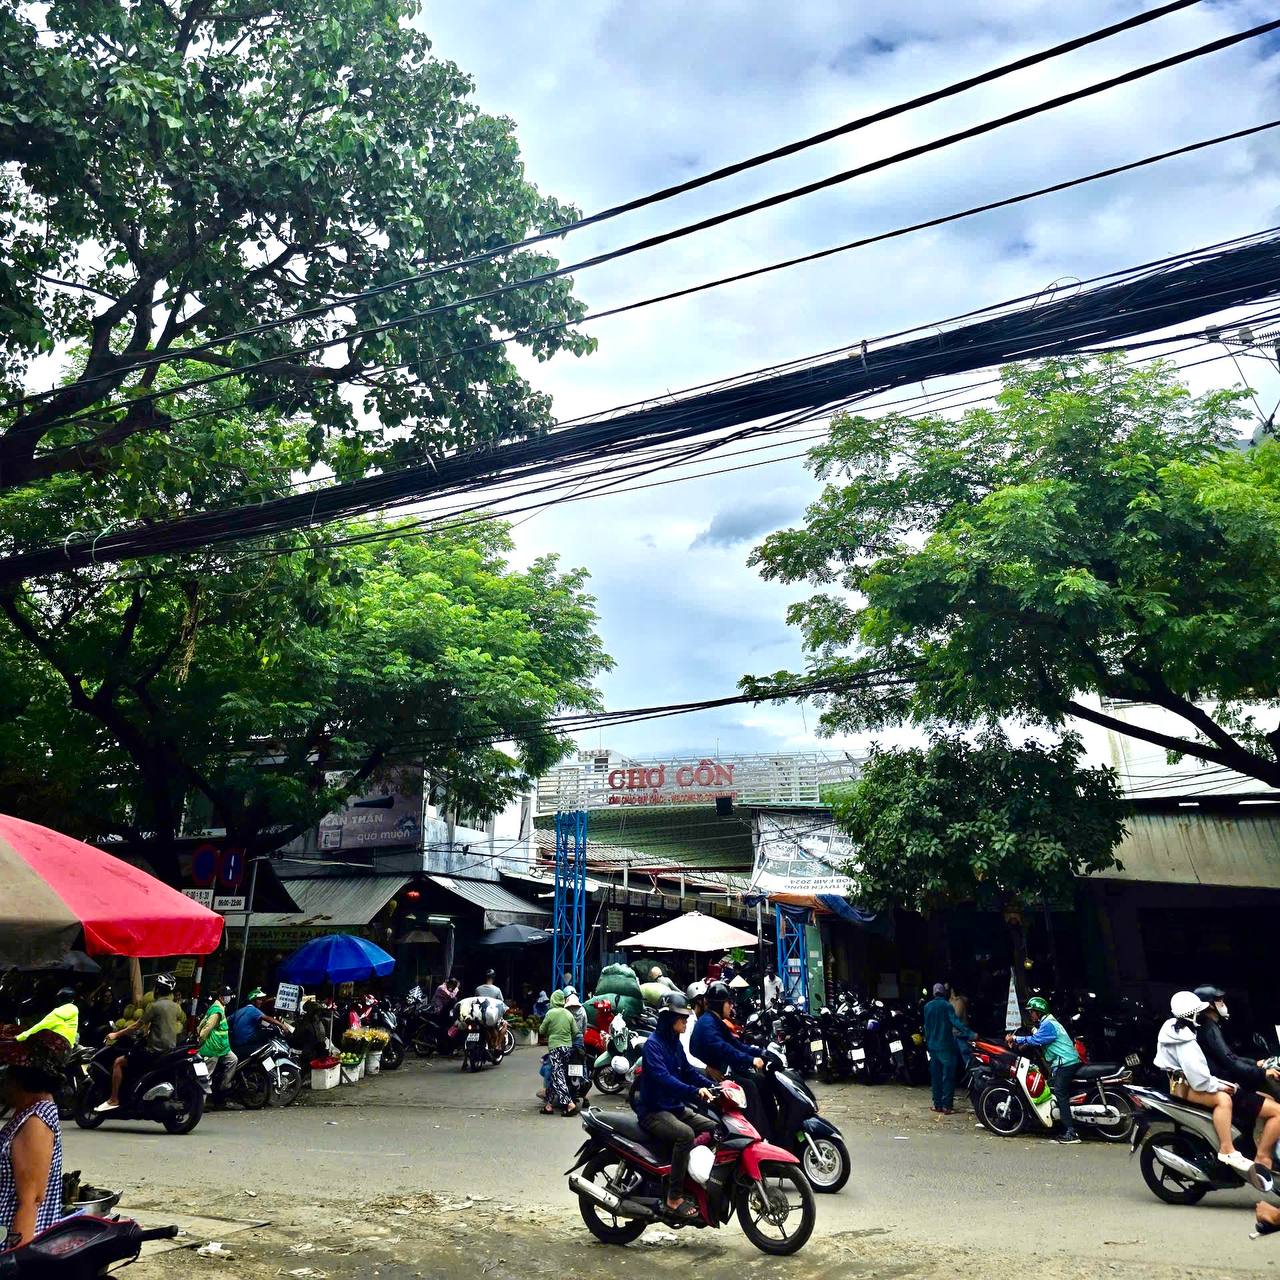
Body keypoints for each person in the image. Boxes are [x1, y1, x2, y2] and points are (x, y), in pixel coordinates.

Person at [1155, 991, 1268, 1184]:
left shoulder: (1176, 1029)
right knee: (1223, 1099)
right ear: (1190, 1014)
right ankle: (1226, 1149)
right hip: (1184, 1085)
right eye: (1197, 1011)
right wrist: (1221, 1086)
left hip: (1181, 1082)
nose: (1201, 1014)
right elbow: (1199, 1079)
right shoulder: (1185, 1040)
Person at [633, 993, 717, 1220]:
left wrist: (715, 1085)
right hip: (654, 1110)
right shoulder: (653, 1046)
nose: (686, 1021)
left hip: (673, 1107)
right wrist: (694, 1091)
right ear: (669, 1018)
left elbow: (689, 1072)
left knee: (714, 1127)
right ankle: (673, 1197)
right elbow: (664, 1079)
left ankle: (691, 1176)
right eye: (681, 1017)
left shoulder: (674, 1043)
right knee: (685, 1135)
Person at [1193, 985, 1280, 1174]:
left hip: (1225, 1082)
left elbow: (1231, 1056)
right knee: (1278, 1113)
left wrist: (1257, 1064)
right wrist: (1262, 1073)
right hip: (1224, 1086)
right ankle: (1262, 1158)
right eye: (1220, 1001)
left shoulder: (1211, 1026)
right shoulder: (1209, 1029)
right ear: (1208, 1006)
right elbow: (1230, 1062)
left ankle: (1252, 1145)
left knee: (1270, 1101)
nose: (1223, 1004)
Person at [0, 1029, 67, 1249]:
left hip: (12, 1240)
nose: (4, 1083)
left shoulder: (36, 1122)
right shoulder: (26, 1113)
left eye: (9, 1075)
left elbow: (31, 1202)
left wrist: (14, 1261)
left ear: (22, 1080)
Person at [96, 973, 187, 1112]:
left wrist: (116, 1034)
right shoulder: (176, 1007)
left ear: (157, 989)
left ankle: (114, 1099)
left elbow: (135, 1026)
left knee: (118, 1062)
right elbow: (178, 1022)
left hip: (153, 1052)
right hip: (169, 1050)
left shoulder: (153, 1006)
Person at [691, 981, 773, 1134]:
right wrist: (751, 1060)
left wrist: (760, 1052)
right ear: (719, 1004)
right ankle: (760, 1135)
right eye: (729, 1002)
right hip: (714, 1076)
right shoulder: (708, 1024)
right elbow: (725, 1048)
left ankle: (772, 1128)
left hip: (723, 1070)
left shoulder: (715, 1021)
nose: (732, 1006)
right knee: (750, 1087)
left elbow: (736, 1045)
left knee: (761, 1081)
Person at [1006, 995, 1081, 1144]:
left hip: (1065, 1063)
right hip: (1065, 1062)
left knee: (1060, 1092)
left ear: (1039, 1012)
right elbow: (1037, 1036)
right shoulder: (1047, 1022)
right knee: (1052, 1087)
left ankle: (1071, 1132)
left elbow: (1037, 1039)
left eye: (1032, 1012)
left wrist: (1015, 1039)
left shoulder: (1048, 1024)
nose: (1030, 1014)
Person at [924, 982, 974, 1115]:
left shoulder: (927, 1007)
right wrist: (971, 1034)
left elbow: (926, 1028)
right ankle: (947, 1106)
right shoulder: (947, 1006)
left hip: (933, 1047)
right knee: (948, 1077)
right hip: (946, 1046)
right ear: (944, 993)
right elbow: (956, 1022)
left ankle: (937, 1105)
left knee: (936, 1077)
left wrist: (927, 1043)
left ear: (934, 993)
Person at [539, 991, 579, 1117]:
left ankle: (570, 1104)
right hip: (567, 1048)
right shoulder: (568, 1014)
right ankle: (548, 1105)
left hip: (555, 1047)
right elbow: (575, 1031)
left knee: (558, 1075)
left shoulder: (550, 1013)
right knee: (557, 1074)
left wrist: (551, 1033)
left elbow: (541, 1030)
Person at [197, 987, 237, 1105]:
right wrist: (200, 1040)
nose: (228, 997)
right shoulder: (217, 1010)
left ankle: (223, 1086)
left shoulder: (221, 1007)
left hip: (222, 1048)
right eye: (226, 995)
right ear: (220, 997)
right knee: (206, 1077)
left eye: (229, 995)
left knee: (233, 1060)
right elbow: (207, 1027)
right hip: (212, 1048)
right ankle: (200, 1104)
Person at [228, 988, 290, 1056]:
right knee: (267, 1049)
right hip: (246, 1043)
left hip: (235, 1044)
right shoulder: (253, 1010)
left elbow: (228, 1020)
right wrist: (282, 1025)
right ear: (253, 1001)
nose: (261, 1002)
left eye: (261, 1000)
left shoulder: (240, 1011)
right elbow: (267, 1018)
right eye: (259, 999)